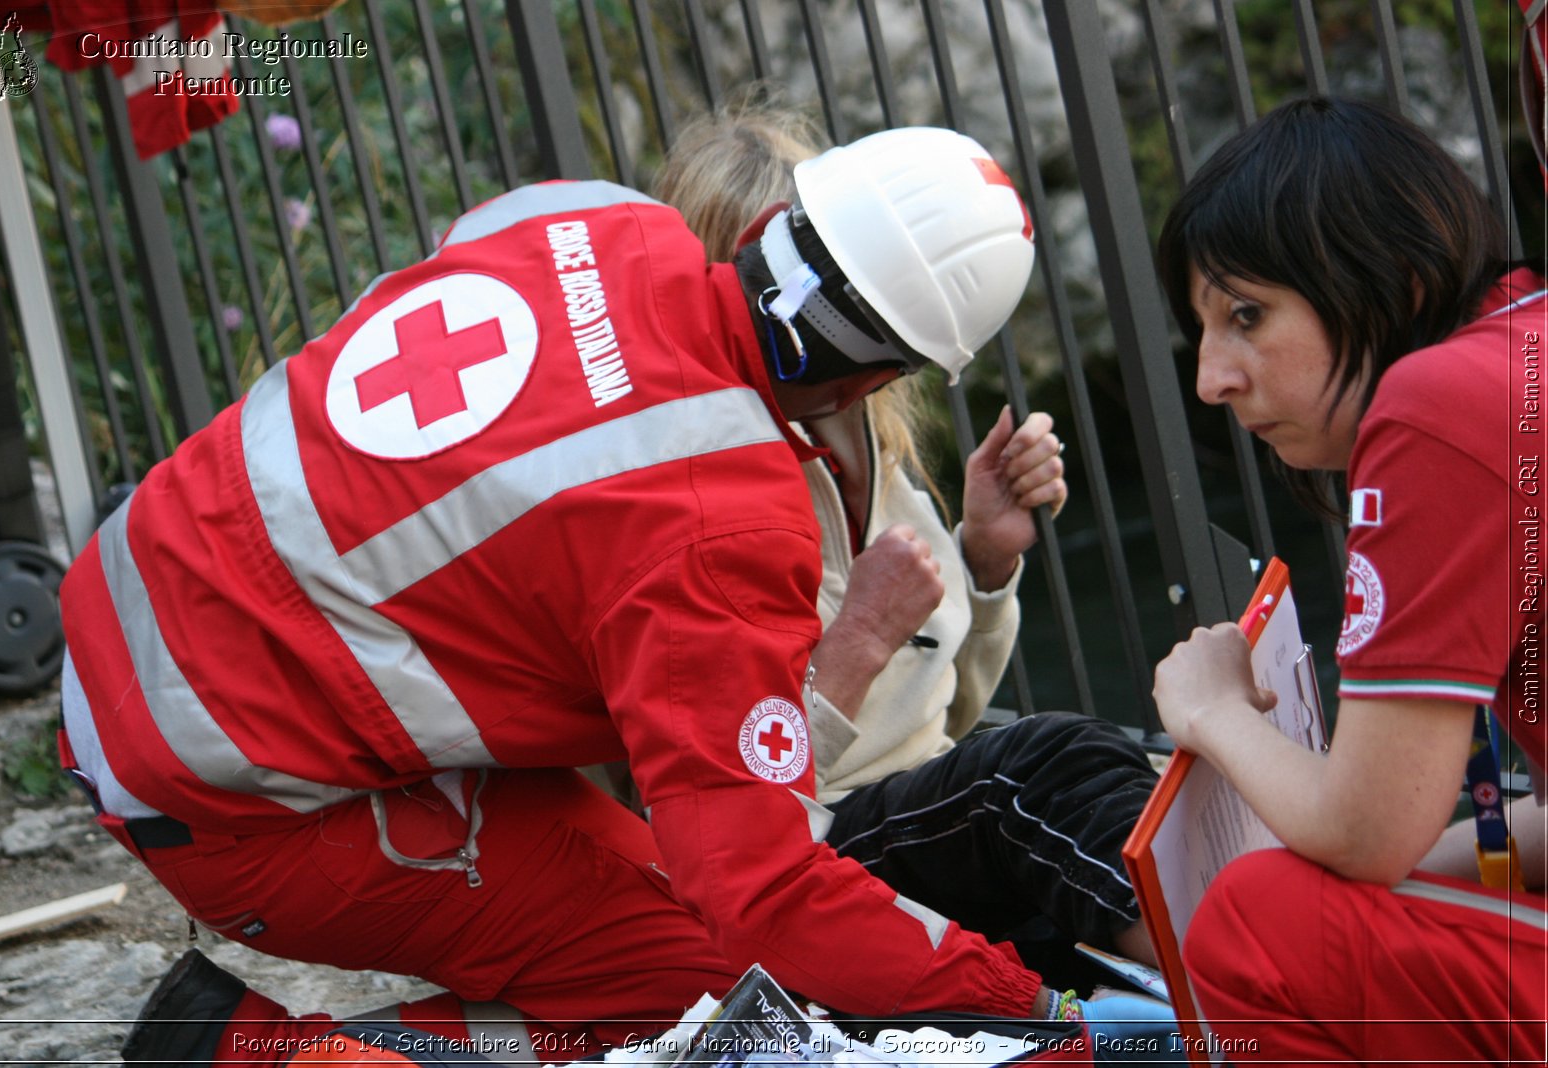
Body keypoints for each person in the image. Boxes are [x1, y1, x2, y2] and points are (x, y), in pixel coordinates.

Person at [56, 125, 1157, 1067]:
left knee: (657, 922)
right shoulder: (727, 523)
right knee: (715, 990)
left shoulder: (578, 213)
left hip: (124, 606)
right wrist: (1039, 1020)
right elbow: (762, 887)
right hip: (219, 781)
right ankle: (263, 1057)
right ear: (879, 376)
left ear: (763, 229)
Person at [649, 102, 1162, 978]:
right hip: (799, 849)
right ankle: (1270, 1001)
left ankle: (1261, 973)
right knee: (1052, 766)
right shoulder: (685, 487)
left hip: (920, 810)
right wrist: (856, 644)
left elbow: (946, 720)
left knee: (1124, 791)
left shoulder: (868, 436)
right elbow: (718, 806)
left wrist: (986, 562)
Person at [1153, 95, 1547, 1062]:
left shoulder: (1436, 406)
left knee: (1260, 920)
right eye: (1204, 328)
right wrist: (1422, 868)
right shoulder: (1523, 340)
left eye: (1247, 315)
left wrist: (1213, 712)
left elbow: (1365, 830)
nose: (1211, 378)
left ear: (1396, 284)